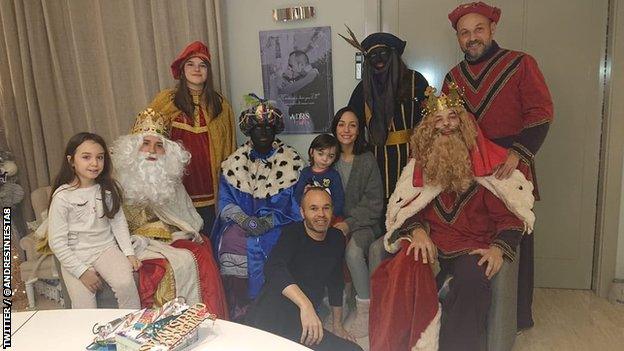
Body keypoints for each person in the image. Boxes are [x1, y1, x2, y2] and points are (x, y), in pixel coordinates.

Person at [370, 85, 536, 351]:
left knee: (472, 278)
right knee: (404, 265)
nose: (446, 125)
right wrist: (418, 232)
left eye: (452, 118)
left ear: (464, 123)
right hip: (432, 245)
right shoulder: (420, 167)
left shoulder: (487, 169)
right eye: (438, 120)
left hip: (472, 247)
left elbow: (510, 218)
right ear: (430, 128)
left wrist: (497, 248)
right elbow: (407, 211)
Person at [443, 1, 554, 330]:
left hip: (512, 164)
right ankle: (473, 312)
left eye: (478, 29)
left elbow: (541, 112)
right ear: (459, 39)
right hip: (471, 168)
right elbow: (450, 125)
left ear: (492, 29)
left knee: (515, 234)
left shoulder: (521, 64)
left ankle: (516, 317)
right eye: (464, 33)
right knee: (475, 234)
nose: (471, 37)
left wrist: (518, 153)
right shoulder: (453, 77)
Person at [111, 108, 228, 318]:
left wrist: (181, 233)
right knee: (163, 268)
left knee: (202, 252)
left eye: (159, 146)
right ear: (133, 148)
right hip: (135, 244)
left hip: (171, 238)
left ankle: (207, 321)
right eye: (145, 143)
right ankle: (162, 326)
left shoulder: (170, 180)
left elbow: (187, 219)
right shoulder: (116, 181)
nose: (152, 151)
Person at [212, 96, 305, 321]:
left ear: (275, 131)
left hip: (278, 222)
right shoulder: (234, 162)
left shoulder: (291, 161)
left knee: (275, 243)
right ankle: (241, 307)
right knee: (232, 242)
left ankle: (276, 305)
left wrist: (268, 221)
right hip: (241, 222)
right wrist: (244, 220)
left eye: (267, 128)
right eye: (257, 128)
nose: (262, 133)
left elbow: (294, 203)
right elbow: (225, 200)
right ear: (249, 132)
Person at [246, 186, 362, 351]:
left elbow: (335, 281)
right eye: (313, 208)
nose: (321, 214)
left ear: (332, 211)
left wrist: (337, 325)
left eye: (326, 208)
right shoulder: (292, 234)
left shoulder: (336, 238)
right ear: (302, 212)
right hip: (272, 313)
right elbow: (273, 268)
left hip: (304, 321)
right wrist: (305, 305)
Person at [146, 41, 235, 232]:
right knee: (183, 244)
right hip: (175, 191)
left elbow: (229, 150)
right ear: (182, 69)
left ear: (208, 71)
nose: (196, 69)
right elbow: (145, 139)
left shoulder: (220, 105)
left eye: (202, 65)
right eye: (191, 64)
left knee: (210, 241)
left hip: (211, 192)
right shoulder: (165, 101)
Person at [47, 132, 140, 309]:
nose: (94, 163)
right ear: (71, 161)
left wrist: (129, 252)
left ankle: (131, 328)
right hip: (75, 253)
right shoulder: (62, 196)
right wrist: (81, 272)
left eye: (100, 157)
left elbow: (118, 222)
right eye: (86, 157)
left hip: (105, 248)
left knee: (126, 284)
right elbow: (57, 242)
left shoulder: (107, 189)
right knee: (84, 307)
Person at [341, 29, 429, 199]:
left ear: (393, 55)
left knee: (409, 204)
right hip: (375, 159)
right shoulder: (363, 89)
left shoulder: (415, 81)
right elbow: (352, 122)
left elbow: (430, 121)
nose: (379, 59)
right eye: (373, 56)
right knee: (378, 204)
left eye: (383, 53)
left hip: (411, 157)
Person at [330, 106, 384, 338]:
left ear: (359, 130)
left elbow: (374, 203)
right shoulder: (328, 157)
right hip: (332, 223)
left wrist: (348, 224)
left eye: (352, 125)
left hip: (364, 225)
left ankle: (365, 311)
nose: (346, 129)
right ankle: (335, 307)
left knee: (352, 252)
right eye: (341, 124)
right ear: (335, 128)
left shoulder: (367, 159)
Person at [294, 133, 345, 223]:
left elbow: (339, 199)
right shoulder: (306, 173)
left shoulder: (334, 175)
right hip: (310, 216)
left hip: (330, 216)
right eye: (321, 154)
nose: (325, 159)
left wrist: (331, 216)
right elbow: (297, 196)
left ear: (335, 158)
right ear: (312, 152)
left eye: (331, 156)